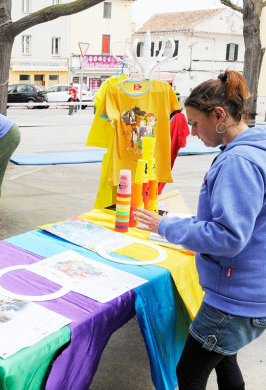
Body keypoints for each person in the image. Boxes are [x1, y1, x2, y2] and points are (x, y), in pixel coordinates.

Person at [134, 70, 266, 390]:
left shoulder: (239, 162)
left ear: (219, 115)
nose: (192, 132)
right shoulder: (253, 150)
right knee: (225, 357)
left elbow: (228, 236)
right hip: (250, 290)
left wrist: (167, 226)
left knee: (189, 373)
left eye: (194, 123)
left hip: (235, 299)